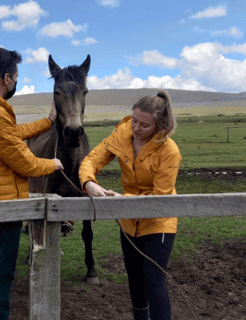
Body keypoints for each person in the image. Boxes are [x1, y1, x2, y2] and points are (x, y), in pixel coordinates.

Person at [0, 47, 64, 320]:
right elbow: (27, 164)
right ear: (6, 78)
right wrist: (53, 164)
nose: (17, 82)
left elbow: (11, 135)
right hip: (1, 208)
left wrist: (47, 122)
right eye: (17, 77)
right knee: (1, 276)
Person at [79, 90, 181, 320]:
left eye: (144, 125)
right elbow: (92, 160)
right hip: (128, 220)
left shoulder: (169, 151)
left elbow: (160, 199)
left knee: (153, 277)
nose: (136, 128)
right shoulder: (122, 132)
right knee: (135, 278)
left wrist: (124, 201)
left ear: (160, 125)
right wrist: (88, 183)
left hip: (158, 221)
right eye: (134, 120)